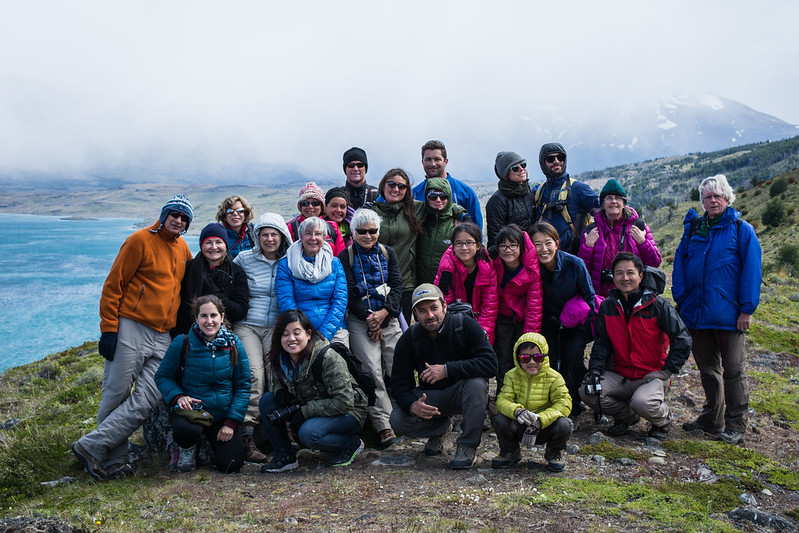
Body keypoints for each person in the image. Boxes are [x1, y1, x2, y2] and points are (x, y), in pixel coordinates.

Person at [72, 195, 194, 481]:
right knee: (116, 392)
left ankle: (90, 446)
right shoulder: (139, 240)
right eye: (174, 214)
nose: (178, 220)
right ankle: (113, 459)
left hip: (164, 335)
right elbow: (113, 286)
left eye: (184, 218)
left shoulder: (184, 249)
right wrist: (109, 330)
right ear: (163, 215)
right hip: (132, 326)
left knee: (150, 397)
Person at [673, 174, 762, 445]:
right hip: (697, 314)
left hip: (729, 315)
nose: (712, 201)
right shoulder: (694, 228)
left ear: (727, 198)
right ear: (702, 201)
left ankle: (736, 425)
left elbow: (752, 271)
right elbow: (679, 265)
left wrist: (746, 309)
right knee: (708, 370)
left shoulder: (740, 229)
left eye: (717, 196)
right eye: (707, 197)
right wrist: (682, 300)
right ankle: (713, 418)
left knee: (734, 371)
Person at [580, 253, 691, 440]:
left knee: (644, 403)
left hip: (651, 374)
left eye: (630, 273)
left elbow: (682, 338)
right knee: (587, 391)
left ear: (640, 275)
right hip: (620, 374)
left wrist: (667, 371)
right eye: (619, 273)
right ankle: (627, 417)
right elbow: (601, 344)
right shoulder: (608, 306)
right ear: (613, 277)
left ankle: (663, 421)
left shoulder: (657, 305)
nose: (625, 278)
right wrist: (596, 371)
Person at [389, 284, 497, 470]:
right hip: (432, 398)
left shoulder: (465, 325)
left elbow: (490, 364)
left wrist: (447, 370)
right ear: (414, 313)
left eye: (434, 308)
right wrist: (412, 405)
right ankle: (440, 428)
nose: (429, 315)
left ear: (444, 307)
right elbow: (399, 384)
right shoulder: (410, 339)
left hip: (464, 394)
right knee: (397, 419)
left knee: (476, 384)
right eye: (422, 311)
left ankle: (467, 445)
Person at [259, 310, 367, 471]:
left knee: (309, 434)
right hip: (313, 405)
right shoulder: (281, 358)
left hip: (350, 412)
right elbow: (277, 383)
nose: (291, 339)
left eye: (297, 333)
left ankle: (352, 444)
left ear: (308, 334)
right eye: (285, 334)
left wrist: (305, 412)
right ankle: (285, 456)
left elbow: (344, 401)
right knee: (268, 401)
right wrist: (280, 392)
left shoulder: (327, 357)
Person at [154, 295, 250, 473]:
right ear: (196, 318)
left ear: (222, 317)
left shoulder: (234, 343)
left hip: (222, 416)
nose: (209, 321)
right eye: (203, 316)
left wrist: (231, 422)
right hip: (193, 411)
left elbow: (243, 384)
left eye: (213, 315)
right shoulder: (182, 342)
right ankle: (186, 448)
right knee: (186, 431)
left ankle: (209, 449)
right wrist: (178, 396)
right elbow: (163, 377)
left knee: (231, 465)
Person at [339, 208, 404, 449]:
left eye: (372, 231)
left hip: (388, 316)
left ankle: (407, 415)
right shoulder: (345, 258)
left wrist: (384, 315)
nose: (368, 235)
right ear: (353, 232)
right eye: (362, 231)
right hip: (360, 320)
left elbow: (397, 285)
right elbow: (348, 293)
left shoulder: (389, 253)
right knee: (371, 371)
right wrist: (370, 319)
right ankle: (384, 425)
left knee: (398, 366)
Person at [233, 213, 293, 463]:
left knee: (278, 372)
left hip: (277, 326)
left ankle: (286, 430)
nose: (269, 239)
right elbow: (230, 284)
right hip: (247, 325)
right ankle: (247, 436)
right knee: (255, 373)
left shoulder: (290, 260)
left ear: (283, 237)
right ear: (257, 237)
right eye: (264, 234)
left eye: (274, 234)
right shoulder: (244, 259)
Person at [529, 221, 595, 416]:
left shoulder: (574, 264)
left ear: (557, 243)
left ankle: (573, 403)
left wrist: (575, 320)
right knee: (546, 357)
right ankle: (549, 399)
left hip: (576, 321)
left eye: (548, 243)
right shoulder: (531, 268)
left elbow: (589, 298)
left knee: (571, 354)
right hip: (548, 320)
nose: (543, 249)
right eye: (537, 244)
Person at [492, 332, 572, 472]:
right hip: (520, 425)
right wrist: (517, 411)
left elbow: (564, 404)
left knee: (564, 424)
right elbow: (502, 400)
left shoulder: (555, 378)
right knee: (499, 419)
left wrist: (540, 420)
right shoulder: (511, 375)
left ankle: (554, 452)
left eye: (538, 357)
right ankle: (510, 452)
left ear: (545, 358)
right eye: (525, 358)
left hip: (544, 427)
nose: (532, 362)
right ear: (517, 359)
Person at [578, 179, 661, 297]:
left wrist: (643, 242)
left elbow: (655, 262)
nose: (614, 201)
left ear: (624, 202)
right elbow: (582, 269)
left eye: (618, 198)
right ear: (602, 203)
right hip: (603, 298)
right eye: (609, 198)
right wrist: (588, 247)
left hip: (635, 295)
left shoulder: (638, 226)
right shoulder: (591, 230)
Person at [276, 217, 348, 344]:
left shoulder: (334, 263)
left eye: (318, 234)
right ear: (301, 236)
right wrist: (304, 332)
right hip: (299, 331)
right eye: (308, 233)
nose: (313, 238)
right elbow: (286, 302)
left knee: (338, 360)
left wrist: (324, 333)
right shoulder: (286, 264)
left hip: (335, 328)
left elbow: (340, 301)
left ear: (324, 237)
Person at [173, 223, 250, 336]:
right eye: (208, 242)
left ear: (226, 245)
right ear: (201, 245)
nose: (213, 247)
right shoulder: (188, 269)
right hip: (187, 332)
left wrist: (215, 294)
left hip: (223, 334)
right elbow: (179, 304)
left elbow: (240, 311)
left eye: (218, 242)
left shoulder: (235, 272)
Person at [491, 224, 543, 390]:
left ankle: (523, 394)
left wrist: (529, 336)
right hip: (501, 318)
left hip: (521, 319)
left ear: (521, 247)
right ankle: (502, 393)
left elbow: (534, 304)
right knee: (503, 356)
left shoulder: (530, 270)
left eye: (513, 245)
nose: (508, 250)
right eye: (503, 246)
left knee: (523, 356)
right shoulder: (494, 266)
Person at [370, 168, 426, 322]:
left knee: (402, 332)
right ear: (383, 186)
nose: (396, 189)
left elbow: (442, 205)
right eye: (391, 184)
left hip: (404, 283)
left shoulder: (415, 209)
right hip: (376, 282)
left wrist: (462, 213)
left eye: (401, 186)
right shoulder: (372, 212)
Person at [434, 222, 498, 343]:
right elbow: (444, 304)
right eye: (459, 243)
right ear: (453, 246)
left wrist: (482, 332)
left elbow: (490, 306)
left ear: (478, 245)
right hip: (454, 325)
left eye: (469, 243)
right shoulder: (446, 271)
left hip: (480, 322)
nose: (464, 248)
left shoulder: (487, 268)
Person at [532, 143, 599, 254]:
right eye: (550, 158)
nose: (556, 161)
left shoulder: (579, 189)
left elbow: (604, 213)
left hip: (572, 256)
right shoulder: (537, 191)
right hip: (543, 256)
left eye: (560, 157)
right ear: (543, 163)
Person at [412, 140, 483, 229]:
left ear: (446, 161)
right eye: (428, 159)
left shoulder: (466, 193)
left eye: (437, 159)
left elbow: (476, 229)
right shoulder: (414, 194)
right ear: (422, 162)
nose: (433, 164)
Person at [416, 177, 471, 285]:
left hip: (449, 285)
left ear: (449, 197)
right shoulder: (419, 219)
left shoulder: (458, 224)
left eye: (443, 196)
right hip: (420, 285)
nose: (438, 200)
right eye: (432, 197)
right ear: (426, 198)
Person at [485, 151, 535, 249]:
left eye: (523, 164)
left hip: (532, 252)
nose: (521, 169)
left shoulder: (529, 193)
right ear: (505, 174)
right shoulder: (497, 201)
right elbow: (496, 238)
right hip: (511, 255)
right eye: (515, 168)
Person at [286, 183, 346, 256]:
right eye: (305, 203)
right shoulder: (291, 228)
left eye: (315, 203)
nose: (310, 206)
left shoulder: (332, 228)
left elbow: (341, 255)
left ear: (322, 206)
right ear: (300, 206)